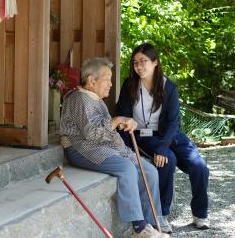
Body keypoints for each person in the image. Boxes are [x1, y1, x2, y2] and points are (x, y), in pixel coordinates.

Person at [60, 57, 170, 238]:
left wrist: (121, 122)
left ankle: (151, 224)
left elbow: (103, 127)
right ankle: (139, 226)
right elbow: (92, 134)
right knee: (127, 168)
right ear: (91, 80)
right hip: (82, 148)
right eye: (107, 79)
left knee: (148, 170)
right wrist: (117, 120)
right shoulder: (79, 98)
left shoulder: (95, 99)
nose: (111, 84)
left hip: (104, 146)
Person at [117, 43, 210, 232]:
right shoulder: (129, 85)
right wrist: (127, 151)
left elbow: (173, 122)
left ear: (155, 62)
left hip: (170, 135)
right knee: (167, 161)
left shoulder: (169, 87)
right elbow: (124, 117)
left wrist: (162, 147)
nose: (139, 66)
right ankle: (161, 214)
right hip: (144, 135)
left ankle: (200, 213)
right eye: (135, 63)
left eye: (144, 61)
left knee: (200, 166)